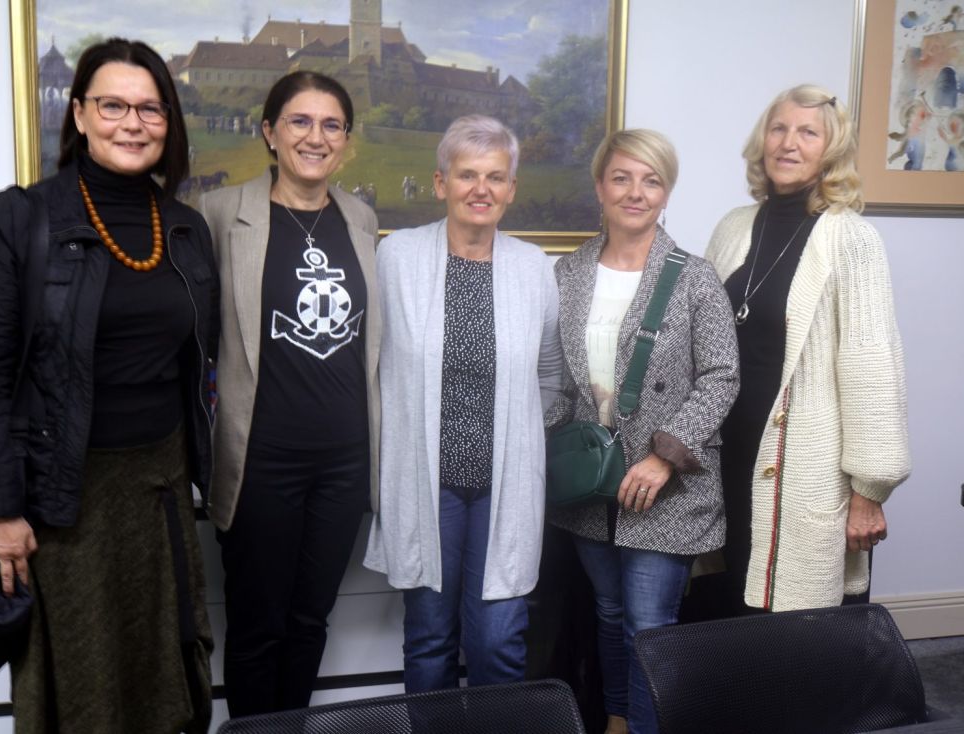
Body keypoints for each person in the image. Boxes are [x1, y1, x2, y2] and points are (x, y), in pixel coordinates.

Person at [0, 38, 217, 733]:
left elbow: (197, 368)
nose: (133, 124)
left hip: (160, 492)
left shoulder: (187, 230)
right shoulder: (18, 220)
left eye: (150, 108)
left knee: (162, 682)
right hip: (59, 505)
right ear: (78, 114)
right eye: (113, 106)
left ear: (168, 122)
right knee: (83, 693)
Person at [198, 71, 379, 717]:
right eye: (300, 121)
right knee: (258, 625)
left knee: (309, 621)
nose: (315, 137)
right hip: (261, 460)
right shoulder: (221, 214)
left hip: (344, 463)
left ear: (346, 141)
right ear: (269, 131)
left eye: (332, 125)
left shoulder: (360, 218)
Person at [546, 129, 739, 734]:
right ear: (599, 187)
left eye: (651, 180)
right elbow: (557, 380)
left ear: (666, 192)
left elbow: (722, 377)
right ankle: (617, 721)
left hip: (666, 487)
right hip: (590, 481)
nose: (636, 192)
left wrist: (664, 457)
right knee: (607, 612)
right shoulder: (568, 272)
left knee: (648, 625)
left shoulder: (695, 277)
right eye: (622, 178)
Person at [364, 114, 562, 692]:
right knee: (430, 636)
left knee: (497, 640)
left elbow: (550, 374)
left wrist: (520, 440)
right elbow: (372, 363)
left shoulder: (532, 268)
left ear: (511, 189)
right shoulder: (397, 257)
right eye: (467, 174)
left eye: (495, 177)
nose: (481, 189)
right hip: (427, 482)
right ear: (440, 182)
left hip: (505, 484)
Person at [703, 85, 910, 616]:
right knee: (728, 611)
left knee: (797, 628)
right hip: (727, 457)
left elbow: (872, 371)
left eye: (807, 132)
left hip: (803, 469)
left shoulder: (852, 240)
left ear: (831, 151)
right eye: (779, 129)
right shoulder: (732, 227)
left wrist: (869, 492)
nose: (788, 143)